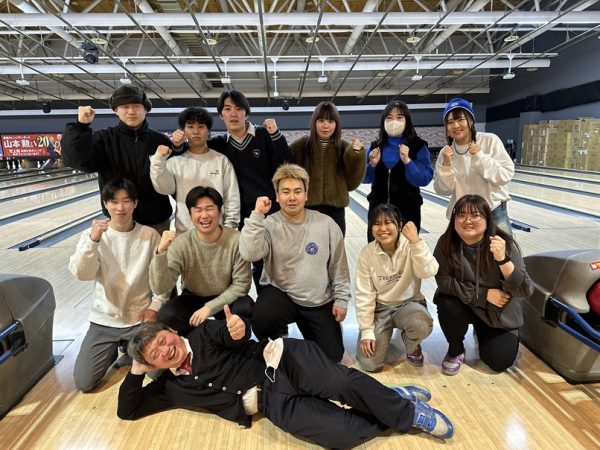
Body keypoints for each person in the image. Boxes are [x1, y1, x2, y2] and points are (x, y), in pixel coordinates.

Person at [117, 314, 455, 448]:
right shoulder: (170, 387)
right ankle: (387, 399)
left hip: (282, 361)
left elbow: (231, 334)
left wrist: (236, 330)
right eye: (154, 354)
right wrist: (136, 371)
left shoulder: (204, 334)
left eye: (162, 340)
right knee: (342, 435)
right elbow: (128, 410)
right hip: (272, 404)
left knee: (341, 383)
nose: (165, 350)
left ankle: (409, 413)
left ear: (171, 331)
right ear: (151, 364)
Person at [172, 90, 292, 290]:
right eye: (227, 109)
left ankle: (287, 301)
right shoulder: (219, 144)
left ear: (247, 113)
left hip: (271, 212)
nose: (233, 113)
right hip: (243, 217)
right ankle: (265, 304)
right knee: (256, 263)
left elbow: (286, 163)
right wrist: (176, 144)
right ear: (221, 115)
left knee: (281, 261)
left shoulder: (264, 135)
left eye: (238, 108)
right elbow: (192, 151)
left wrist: (276, 135)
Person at [239, 164, 350, 362]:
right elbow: (249, 253)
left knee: (333, 356)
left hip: (317, 301)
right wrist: (257, 215)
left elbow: (338, 266)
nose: (292, 197)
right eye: (286, 192)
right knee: (262, 318)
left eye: (297, 191)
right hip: (283, 295)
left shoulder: (326, 224)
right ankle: (278, 340)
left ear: (306, 195)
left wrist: (341, 299)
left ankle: (322, 330)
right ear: (277, 196)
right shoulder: (269, 224)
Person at [68, 177, 167, 392]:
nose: (120, 207)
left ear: (135, 203)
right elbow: (82, 274)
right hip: (104, 320)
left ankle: (128, 349)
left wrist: (155, 306)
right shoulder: (92, 235)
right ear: (105, 204)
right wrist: (93, 241)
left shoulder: (149, 235)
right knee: (84, 383)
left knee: (157, 373)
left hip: (139, 319)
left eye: (126, 201)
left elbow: (163, 277)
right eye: (114, 201)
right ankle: (116, 349)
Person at [433, 194, 534, 375]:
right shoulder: (446, 243)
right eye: (461, 215)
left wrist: (502, 259)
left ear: (488, 220)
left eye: (475, 215)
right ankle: (456, 350)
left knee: (499, 361)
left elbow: (525, 289)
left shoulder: (504, 244)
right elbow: (443, 281)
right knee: (446, 301)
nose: (467, 220)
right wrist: (484, 295)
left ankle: (483, 331)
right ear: (454, 219)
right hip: (465, 305)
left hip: (496, 313)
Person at [61, 85, 176, 234]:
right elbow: (78, 160)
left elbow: (176, 179)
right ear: (116, 110)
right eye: (125, 107)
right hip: (119, 222)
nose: (131, 111)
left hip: (156, 222)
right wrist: (81, 126)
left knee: (160, 251)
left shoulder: (160, 140)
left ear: (146, 109)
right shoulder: (104, 139)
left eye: (136, 106)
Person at [150, 186, 252, 335]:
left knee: (246, 307)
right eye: (198, 210)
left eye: (210, 209)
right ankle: (199, 340)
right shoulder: (181, 243)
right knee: (167, 316)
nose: (204, 215)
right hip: (193, 296)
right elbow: (160, 288)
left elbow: (242, 285)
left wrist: (209, 308)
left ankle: (232, 339)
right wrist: (161, 252)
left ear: (220, 211)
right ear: (190, 214)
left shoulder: (236, 240)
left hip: (227, 295)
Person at [355, 203, 438, 372]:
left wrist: (416, 242)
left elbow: (429, 271)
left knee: (421, 325)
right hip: (380, 309)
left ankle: (411, 344)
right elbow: (364, 294)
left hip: (409, 304)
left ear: (399, 226)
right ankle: (382, 334)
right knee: (370, 364)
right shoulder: (367, 253)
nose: (382, 228)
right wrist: (367, 331)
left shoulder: (411, 245)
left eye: (388, 222)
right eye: (377, 223)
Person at [150, 107, 240, 234]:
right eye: (191, 127)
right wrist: (159, 160)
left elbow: (232, 197)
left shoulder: (221, 161)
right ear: (183, 131)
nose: (196, 131)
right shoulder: (175, 162)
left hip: (217, 232)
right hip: (184, 232)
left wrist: (229, 228)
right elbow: (165, 189)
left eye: (201, 127)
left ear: (208, 130)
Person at [433, 98, 515, 234]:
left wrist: (480, 156)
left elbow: (504, 176)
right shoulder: (445, 152)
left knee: (503, 248)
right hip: (463, 215)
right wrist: (446, 165)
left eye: (460, 120)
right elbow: (443, 190)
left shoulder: (490, 140)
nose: (455, 125)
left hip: (493, 211)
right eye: (450, 122)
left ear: (471, 121)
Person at [289, 101, 366, 235]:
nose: (326, 126)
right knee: (309, 246)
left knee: (335, 245)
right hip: (307, 208)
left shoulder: (344, 147)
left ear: (336, 124)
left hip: (336, 210)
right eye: (321, 120)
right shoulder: (301, 146)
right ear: (314, 123)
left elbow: (352, 182)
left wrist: (356, 155)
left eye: (331, 121)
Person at [364, 99, 433, 240]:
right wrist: (372, 164)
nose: (394, 121)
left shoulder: (418, 146)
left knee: (406, 251)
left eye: (399, 117)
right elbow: (364, 178)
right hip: (377, 212)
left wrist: (408, 161)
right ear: (383, 121)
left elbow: (423, 179)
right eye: (389, 118)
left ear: (407, 120)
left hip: (408, 213)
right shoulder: (376, 147)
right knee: (377, 251)